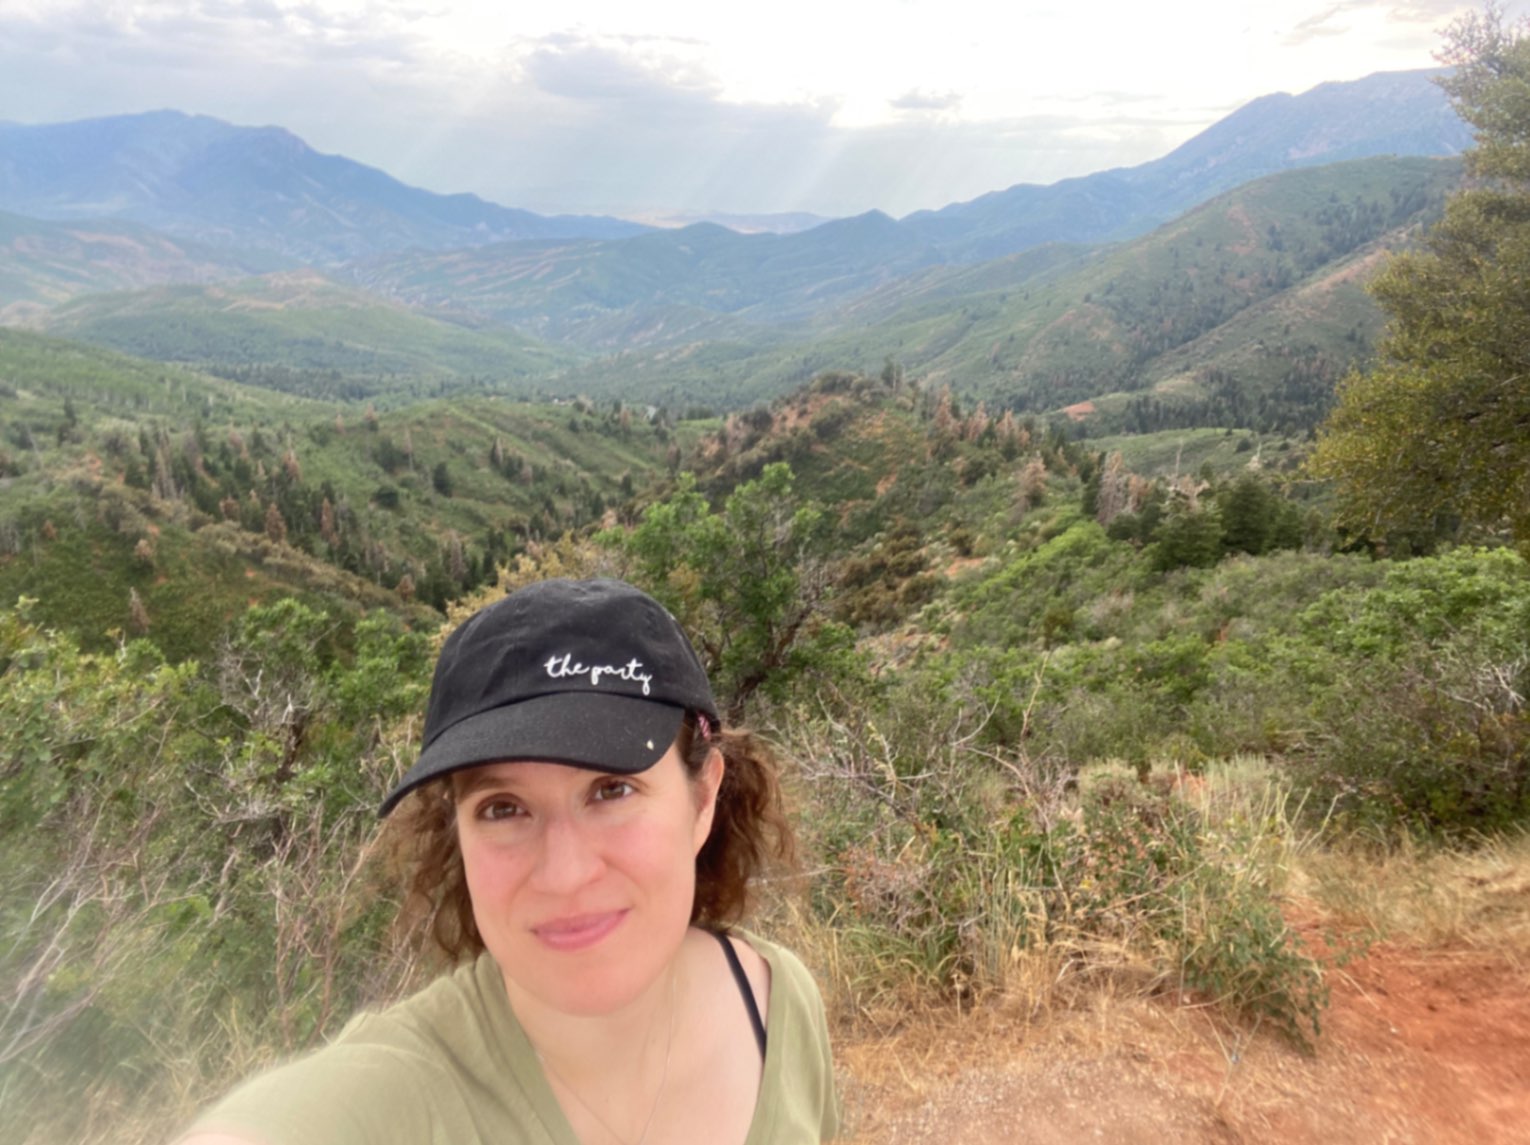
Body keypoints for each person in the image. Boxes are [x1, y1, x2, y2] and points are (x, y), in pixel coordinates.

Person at [178, 577, 839, 1145]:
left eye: (611, 789)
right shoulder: (413, 1093)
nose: (564, 872)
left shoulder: (780, 1005)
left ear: (702, 796)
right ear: (458, 832)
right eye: (503, 808)